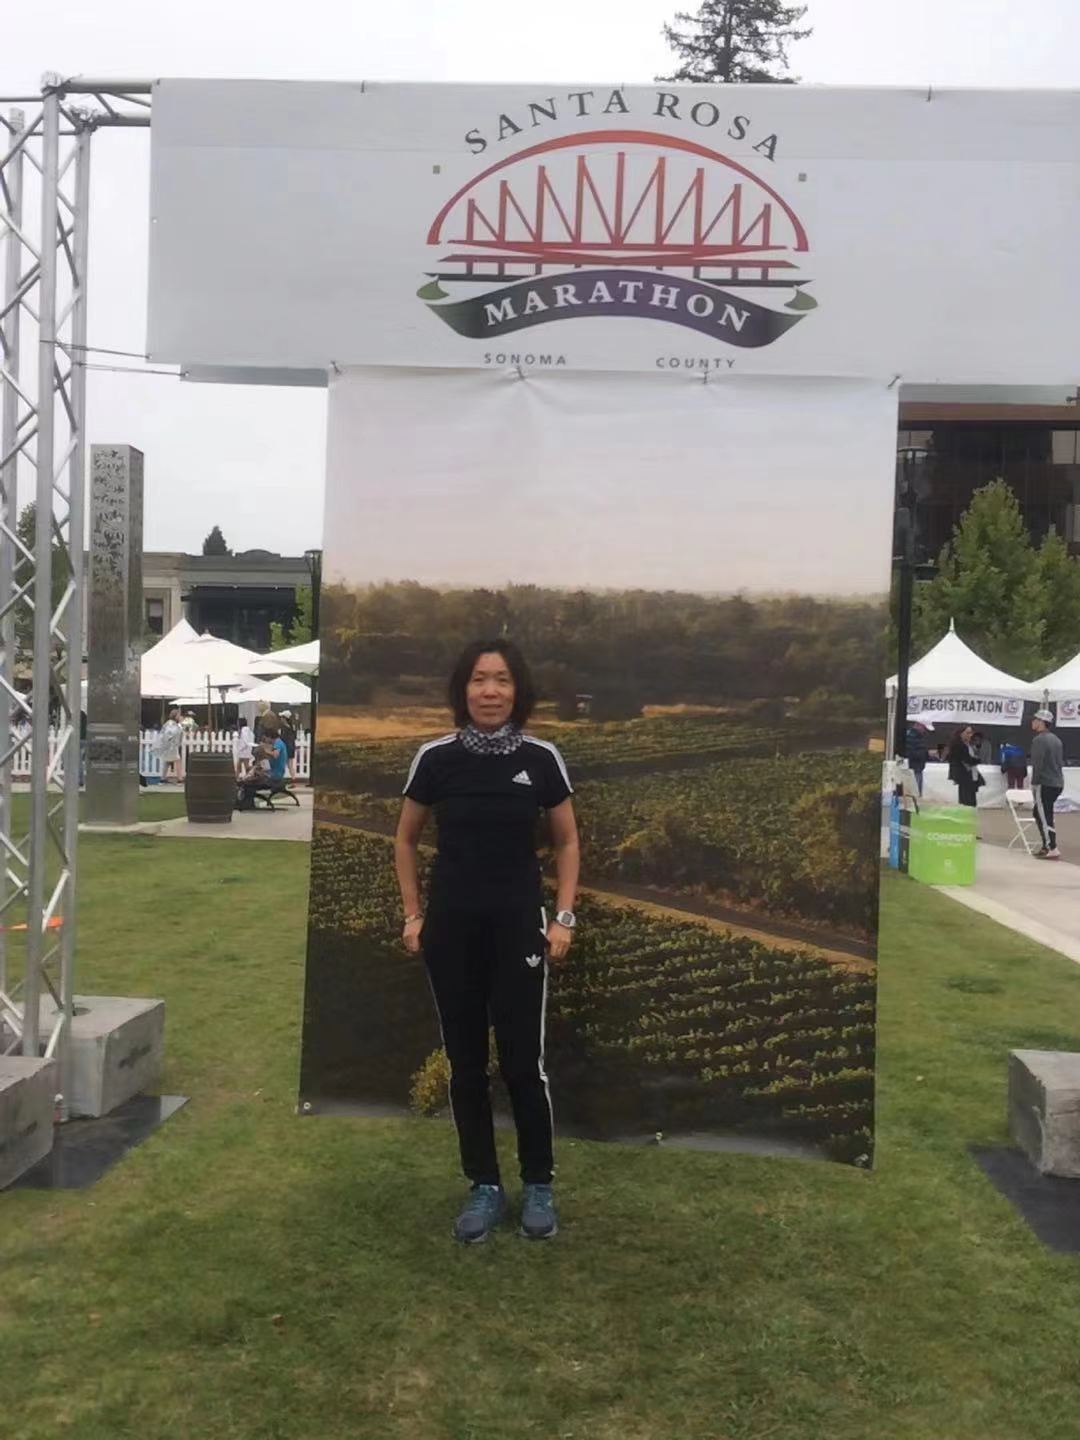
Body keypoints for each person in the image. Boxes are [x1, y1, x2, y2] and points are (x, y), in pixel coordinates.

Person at [394, 638, 580, 1246]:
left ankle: (538, 1183)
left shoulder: (541, 759)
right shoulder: (435, 759)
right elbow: (405, 840)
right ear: (463, 689)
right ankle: (483, 1185)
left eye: (501, 679)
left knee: (524, 1064)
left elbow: (567, 842)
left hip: (518, 930)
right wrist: (414, 915)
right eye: (479, 679)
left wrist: (563, 918)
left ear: (516, 690)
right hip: (452, 933)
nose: (490, 690)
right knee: (466, 1066)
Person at [1030, 709, 1064, 859]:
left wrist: (1034, 783)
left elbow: (1038, 763)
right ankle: (1047, 844)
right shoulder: (1056, 740)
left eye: (1035, 719)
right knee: (1041, 813)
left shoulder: (1039, 740)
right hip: (1057, 782)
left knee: (1043, 815)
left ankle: (1051, 847)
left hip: (1045, 782)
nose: (1032, 722)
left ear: (1041, 722)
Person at [947, 724, 984, 807]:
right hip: (964, 775)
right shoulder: (959, 745)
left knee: (970, 798)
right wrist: (977, 760)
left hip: (969, 774)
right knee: (967, 800)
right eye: (967, 733)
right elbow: (966, 759)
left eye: (971, 733)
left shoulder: (967, 744)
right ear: (961, 733)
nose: (970, 735)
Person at [904, 718, 932, 795]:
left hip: (918, 768)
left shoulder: (918, 736)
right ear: (918, 725)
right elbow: (909, 753)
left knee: (917, 791)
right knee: (915, 792)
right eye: (924, 728)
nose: (924, 730)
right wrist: (924, 754)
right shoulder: (911, 737)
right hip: (914, 768)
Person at [156, 707, 184, 783]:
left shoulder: (168, 723)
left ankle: (162, 778)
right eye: (179, 715)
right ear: (176, 716)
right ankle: (180, 779)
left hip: (167, 745)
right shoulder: (173, 724)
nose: (180, 716)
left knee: (167, 761)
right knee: (177, 761)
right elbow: (175, 733)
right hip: (172, 745)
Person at [278, 709, 297, 779]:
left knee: (283, 764)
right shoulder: (292, 727)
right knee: (290, 765)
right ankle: (293, 778)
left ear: (285, 718)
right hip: (291, 747)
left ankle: (281, 778)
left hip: (286, 748)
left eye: (282, 717)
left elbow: (282, 738)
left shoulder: (284, 728)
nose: (280, 719)